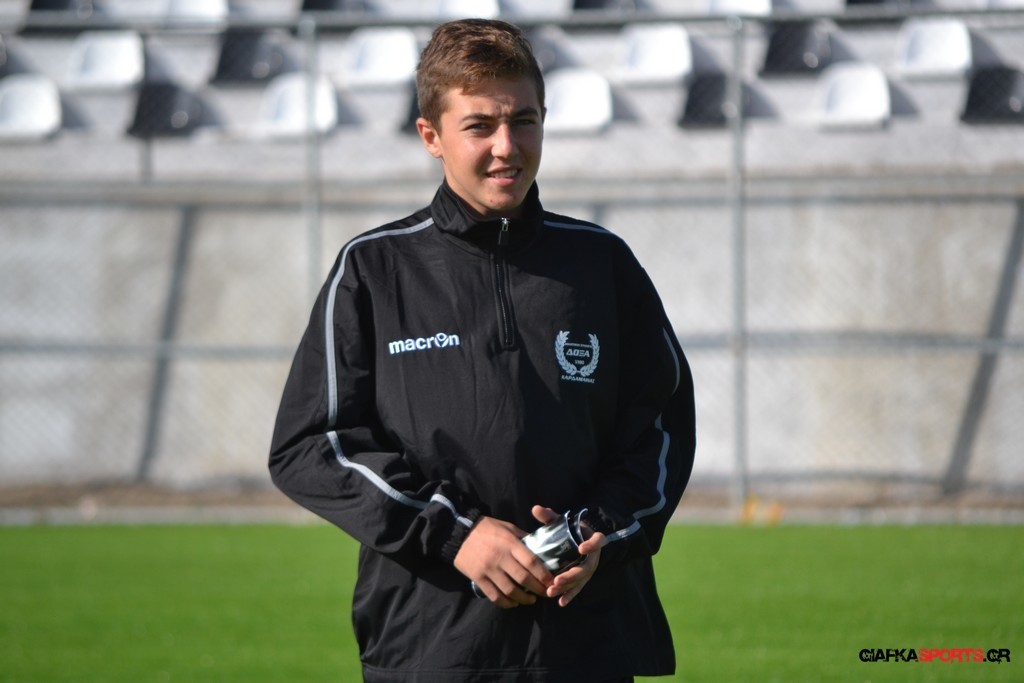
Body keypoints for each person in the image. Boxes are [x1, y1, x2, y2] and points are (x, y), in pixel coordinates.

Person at [269, 18, 696, 682]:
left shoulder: (602, 264)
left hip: (586, 639)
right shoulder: (374, 270)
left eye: (524, 121)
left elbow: (661, 425)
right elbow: (311, 444)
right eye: (479, 126)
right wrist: (456, 534)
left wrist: (599, 534)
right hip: (432, 643)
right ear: (431, 136)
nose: (507, 146)